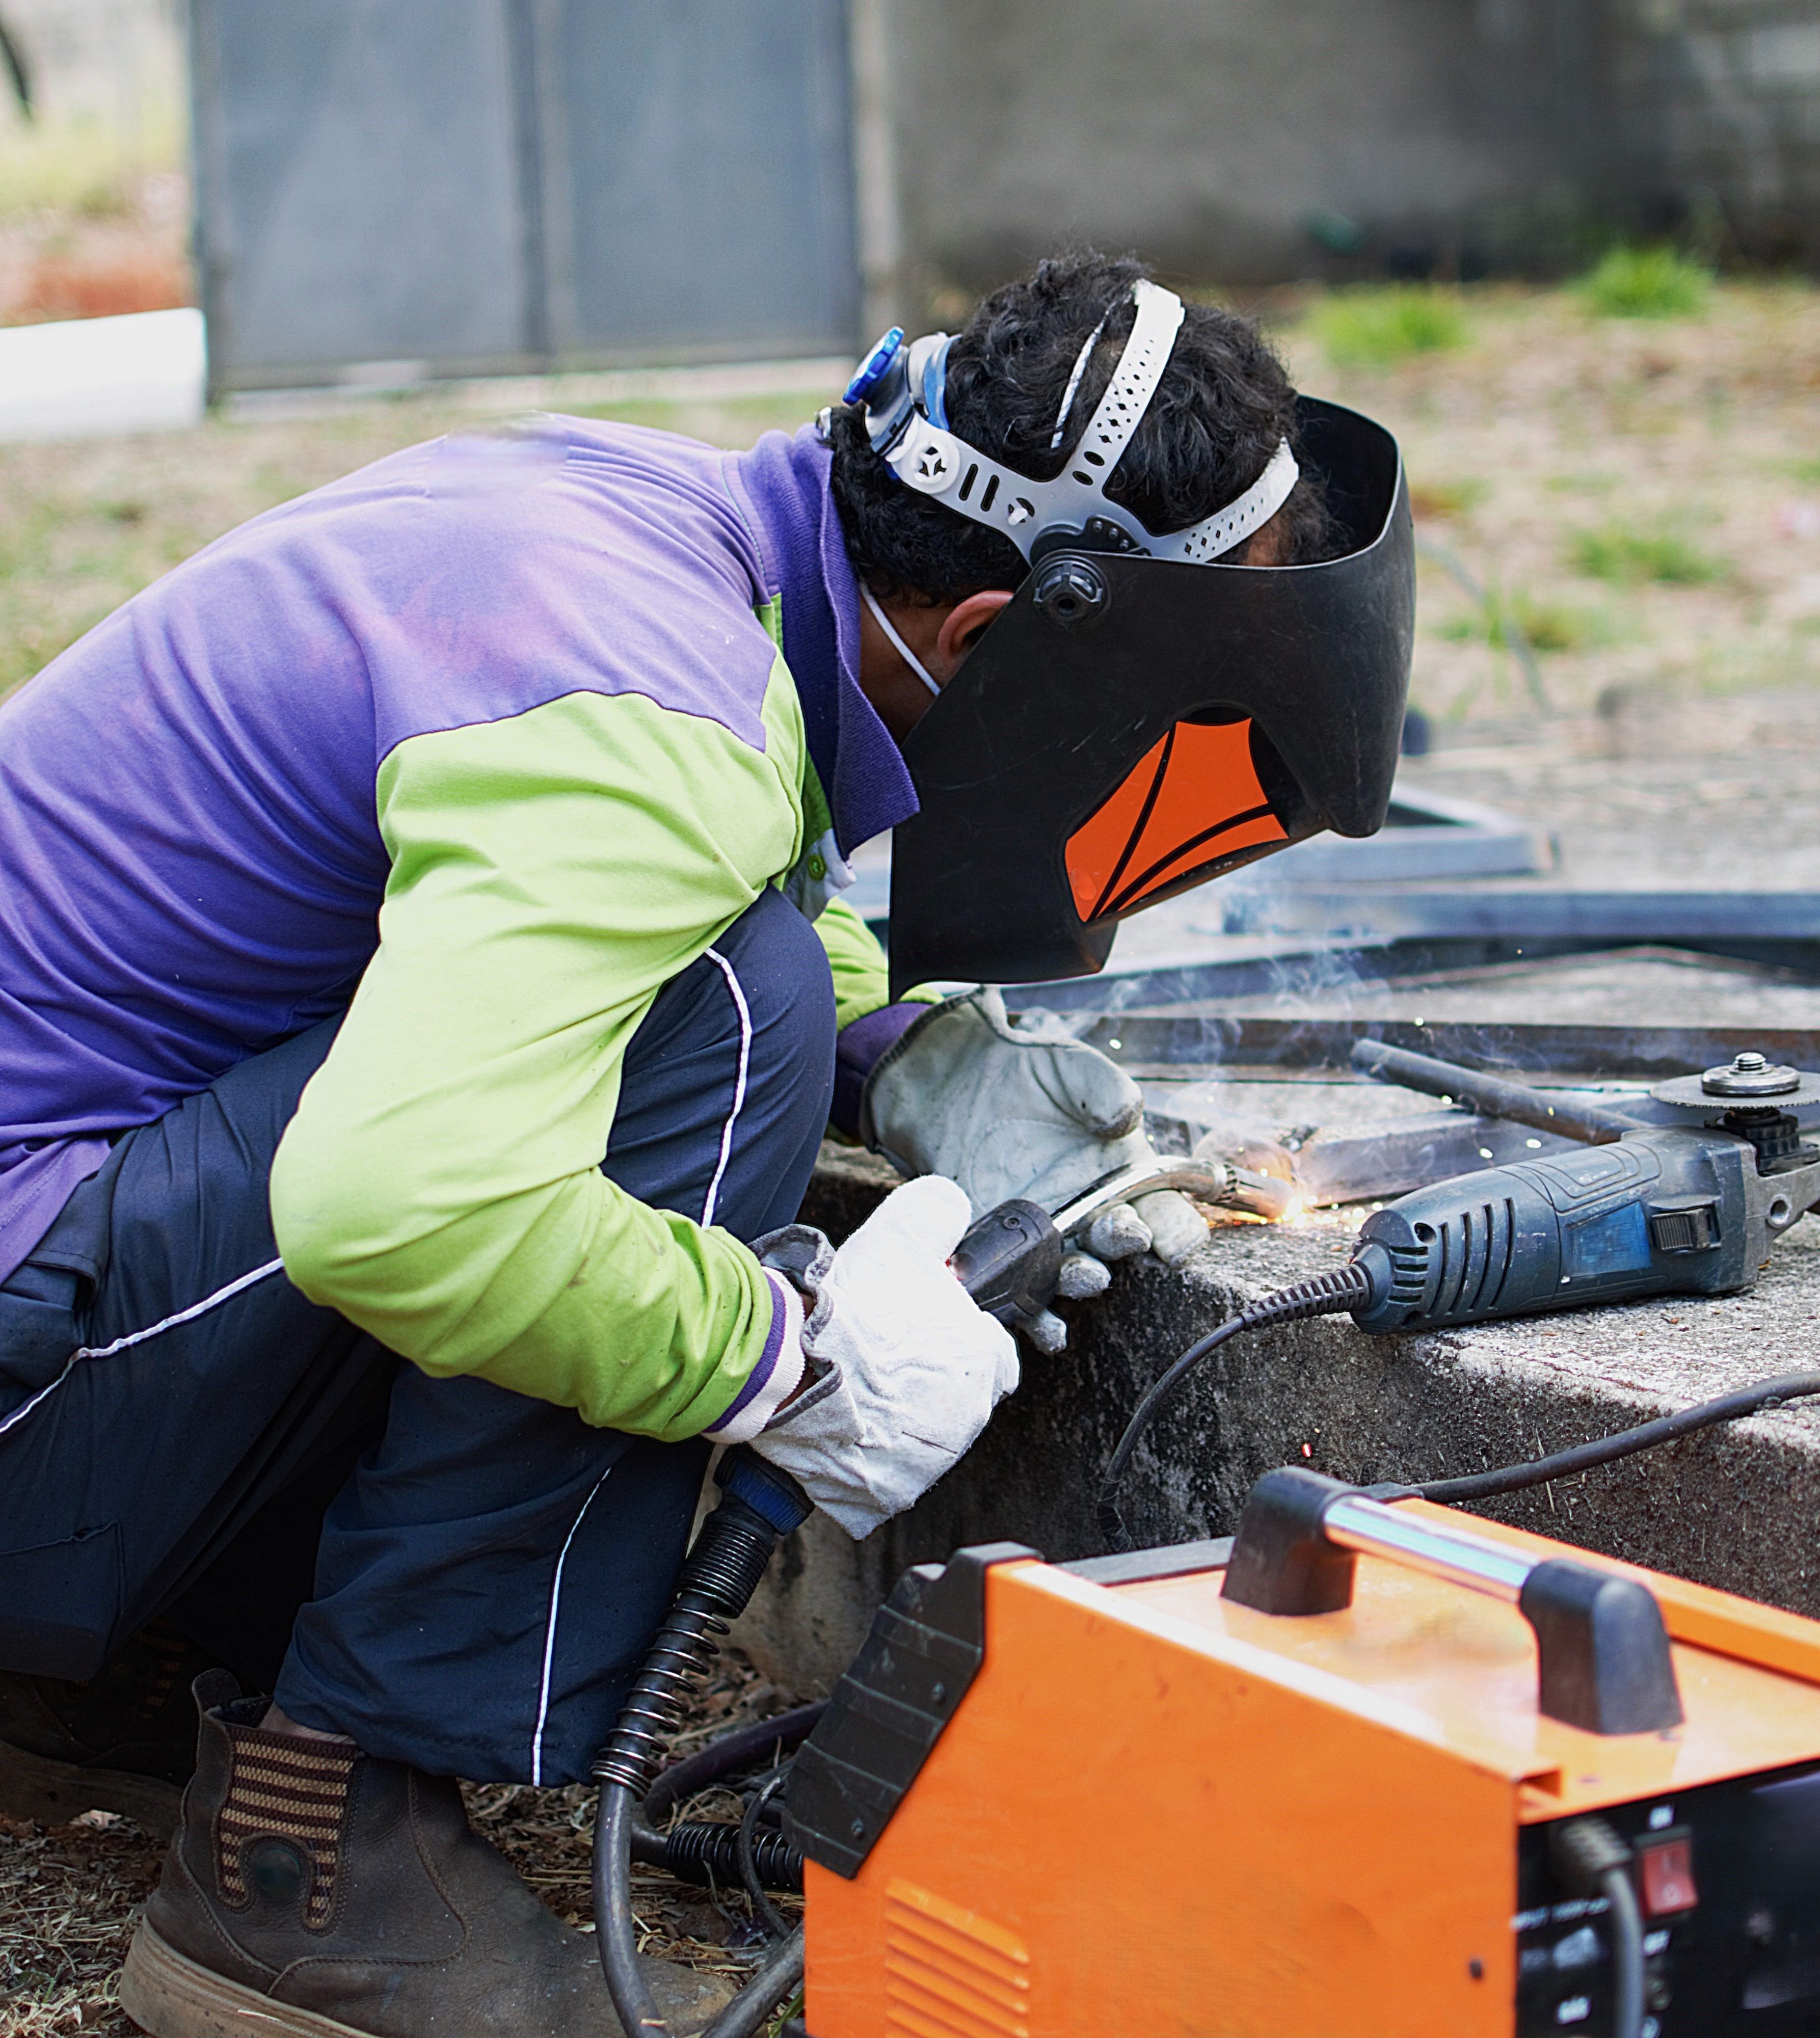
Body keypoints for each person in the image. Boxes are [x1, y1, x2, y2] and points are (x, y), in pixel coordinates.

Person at [0, 250, 1411, 2038]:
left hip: (45, 1273)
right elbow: (400, 1207)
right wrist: (790, 1360)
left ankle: (99, 1677)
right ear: (992, 639)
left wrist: (902, 1049)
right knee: (729, 1015)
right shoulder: (656, 718)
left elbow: (636, 868)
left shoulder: (655, 521)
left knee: (758, 996)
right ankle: (319, 1872)